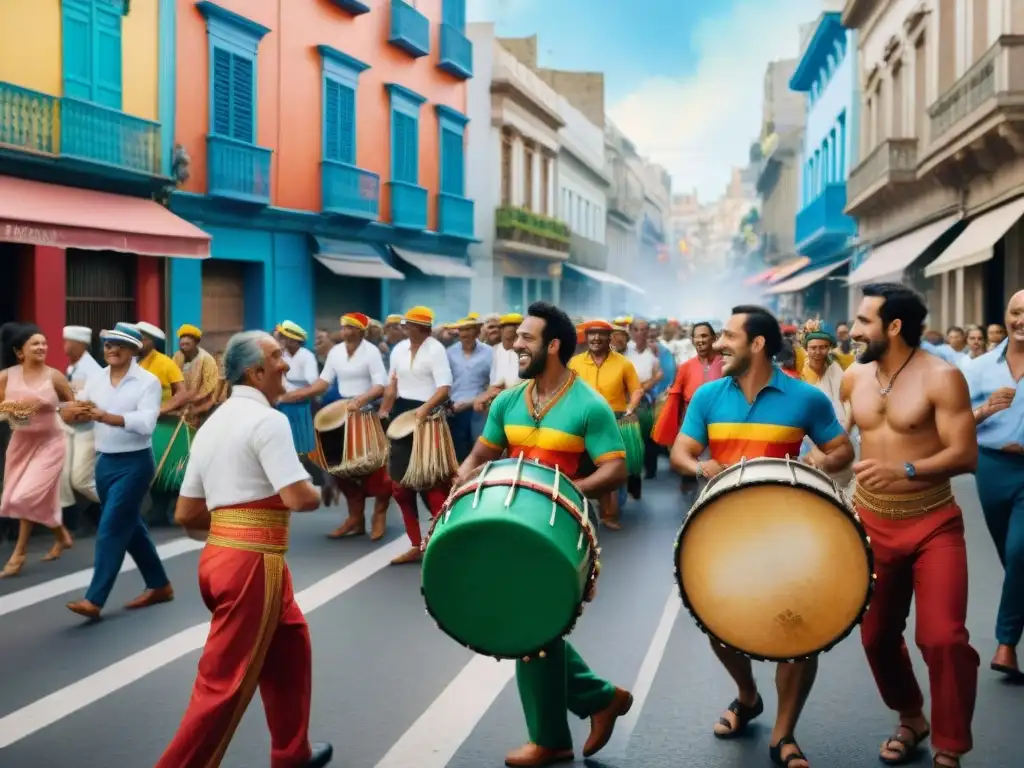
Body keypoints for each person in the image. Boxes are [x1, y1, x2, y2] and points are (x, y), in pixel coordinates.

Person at [670, 305, 854, 768]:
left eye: (729, 335)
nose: (718, 343)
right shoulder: (708, 396)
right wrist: (699, 465)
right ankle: (748, 695)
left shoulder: (805, 397)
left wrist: (820, 461)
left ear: (758, 345)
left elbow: (842, 448)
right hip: (724, 533)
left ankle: (784, 734)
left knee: (800, 627)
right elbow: (682, 450)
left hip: (792, 535)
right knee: (717, 621)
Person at [453, 301, 633, 767]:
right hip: (509, 527)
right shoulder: (511, 400)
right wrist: (464, 474)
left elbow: (615, 467)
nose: (515, 343)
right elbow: (480, 453)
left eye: (526, 338)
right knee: (533, 626)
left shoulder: (589, 406)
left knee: (531, 626)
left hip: (560, 532)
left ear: (553, 346)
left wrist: (571, 487)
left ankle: (552, 740)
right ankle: (598, 699)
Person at [157, 331, 333, 768]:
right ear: (255, 372)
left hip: (223, 558)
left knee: (291, 644)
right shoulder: (268, 421)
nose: (286, 364)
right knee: (223, 684)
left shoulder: (213, 422)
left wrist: (233, 527)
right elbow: (299, 499)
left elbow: (186, 513)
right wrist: (322, 481)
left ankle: (292, 754)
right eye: (277, 357)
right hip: (253, 564)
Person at [843, 283, 979, 768]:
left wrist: (906, 470)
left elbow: (965, 455)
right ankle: (911, 718)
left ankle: (949, 743)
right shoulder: (853, 378)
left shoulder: (942, 377)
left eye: (863, 321)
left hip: (933, 524)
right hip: (869, 522)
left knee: (943, 638)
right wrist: (818, 459)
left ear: (894, 327)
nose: (853, 329)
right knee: (876, 636)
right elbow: (842, 445)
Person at [66, 323, 174, 619]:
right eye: (108, 345)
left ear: (133, 350)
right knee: (131, 527)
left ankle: (94, 599)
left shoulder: (148, 382)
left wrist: (105, 416)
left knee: (111, 526)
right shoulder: (96, 379)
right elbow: (82, 413)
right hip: (104, 462)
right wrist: (73, 413)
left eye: (119, 345)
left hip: (135, 464)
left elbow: (145, 424)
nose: (112, 350)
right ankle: (160, 584)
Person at [281, 312, 391, 539]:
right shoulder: (336, 352)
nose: (344, 332)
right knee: (341, 469)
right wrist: (298, 394)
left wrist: (361, 399)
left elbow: (380, 385)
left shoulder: (371, 352)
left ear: (360, 331)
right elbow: (322, 382)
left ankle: (378, 515)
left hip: (365, 413)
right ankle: (355, 518)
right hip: (341, 414)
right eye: (342, 328)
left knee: (374, 470)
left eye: (349, 328)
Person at [963, 290, 1024, 680]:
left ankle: (1005, 643)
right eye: (1016, 312)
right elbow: (955, 423)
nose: (1021, 320)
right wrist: (985, 410)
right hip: (991, 467)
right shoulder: (979, 368)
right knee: (1011, 555)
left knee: (1020, 552)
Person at [379, 306, 454, 564]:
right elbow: (393, 385)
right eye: (404, 324)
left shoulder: (436, 349)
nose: (403, 328)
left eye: (408, 324)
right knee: (400, 488)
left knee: (432, 484)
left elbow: (444, 389)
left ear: (423, 329)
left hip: (427, 418)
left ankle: (443, 542)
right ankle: (415, 545)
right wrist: (384, 411)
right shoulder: (398, 350)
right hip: (402, 416)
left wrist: (422, 411)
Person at [0, 323, 77, 576]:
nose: (42, 347)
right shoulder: (6, 377)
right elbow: (2, 413)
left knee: (24, 497)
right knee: (13, 497)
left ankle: (18, 553)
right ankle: (60, 533)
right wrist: (17, 412)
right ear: (19, 352)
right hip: (21, 445)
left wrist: (69, 411)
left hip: (51, 443)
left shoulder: (54, 376)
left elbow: (72, 409)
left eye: (43, 342)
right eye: (35, 343)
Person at [568, 320, 643, 528]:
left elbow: (636, 389)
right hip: (581, 422)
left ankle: (610, 515)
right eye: (592, 334)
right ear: (586, 336)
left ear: (609, 337)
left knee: (611, 468)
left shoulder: (623, 364)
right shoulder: (574, 364)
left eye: (601, 334)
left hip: (615, 421)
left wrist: (630, 409)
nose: (596, 338)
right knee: (580, 467)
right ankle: (575, 511)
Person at [135, 321, 190, 526]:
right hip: (145, 424)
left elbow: (182, 393)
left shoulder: (166, 363)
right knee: (153, 470)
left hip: (167, 424)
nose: (138, 342)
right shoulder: (136, 363)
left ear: (151, 341)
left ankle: (181, 508)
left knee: (171, 471)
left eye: (142, 338)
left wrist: (161, 410)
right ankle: (158, 511)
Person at [446, 316, 493, 461]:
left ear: (477, 331)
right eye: (461, 330)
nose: (464, 334)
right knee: (456, 451)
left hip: (479, 408)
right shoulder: (449, 352)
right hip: (454, 409)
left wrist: (474, 401)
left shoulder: (490, 353)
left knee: (478, 450)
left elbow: (494, 384)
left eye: (468, 329)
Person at [276, 321, 320, 456]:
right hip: (282, 402)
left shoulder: (307, 356)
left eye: (283, 337)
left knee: (302, 444)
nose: (280, 340)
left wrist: (294, 392)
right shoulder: (280, 355)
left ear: (294, 341)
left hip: (302, 402)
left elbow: (312, 383)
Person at [171, 324, 220, 427]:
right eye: (182, 343)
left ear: (196, 342)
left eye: (187, 343)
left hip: (202, 406)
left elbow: (209, 388)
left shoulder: (207, 359)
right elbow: (172, 378)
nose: (184, 346)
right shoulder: (177, 356)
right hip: (179, 404)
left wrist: (191, 402)